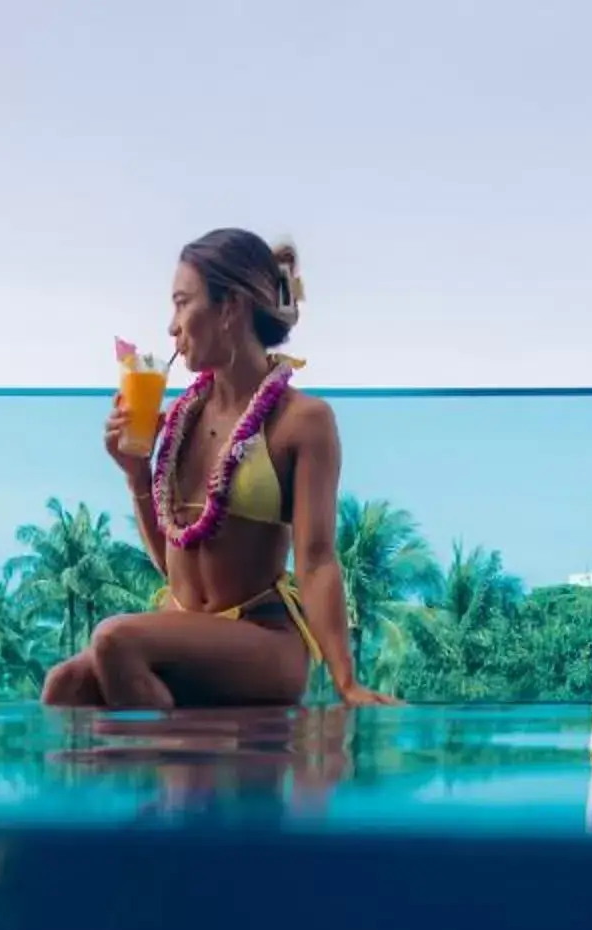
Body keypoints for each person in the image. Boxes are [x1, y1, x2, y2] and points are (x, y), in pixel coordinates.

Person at [41, 230, 399, 711]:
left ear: (230, 307)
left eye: (182, 303)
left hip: (261, 637)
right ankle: (147, 776)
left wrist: (346, 682)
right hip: (183, 632)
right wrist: (136, 476)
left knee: (115, 639)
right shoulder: (181, 418)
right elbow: (173, 563)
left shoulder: (302, 421)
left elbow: (315, 561)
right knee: (64, 685)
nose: (171, 327)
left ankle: (175, 775)